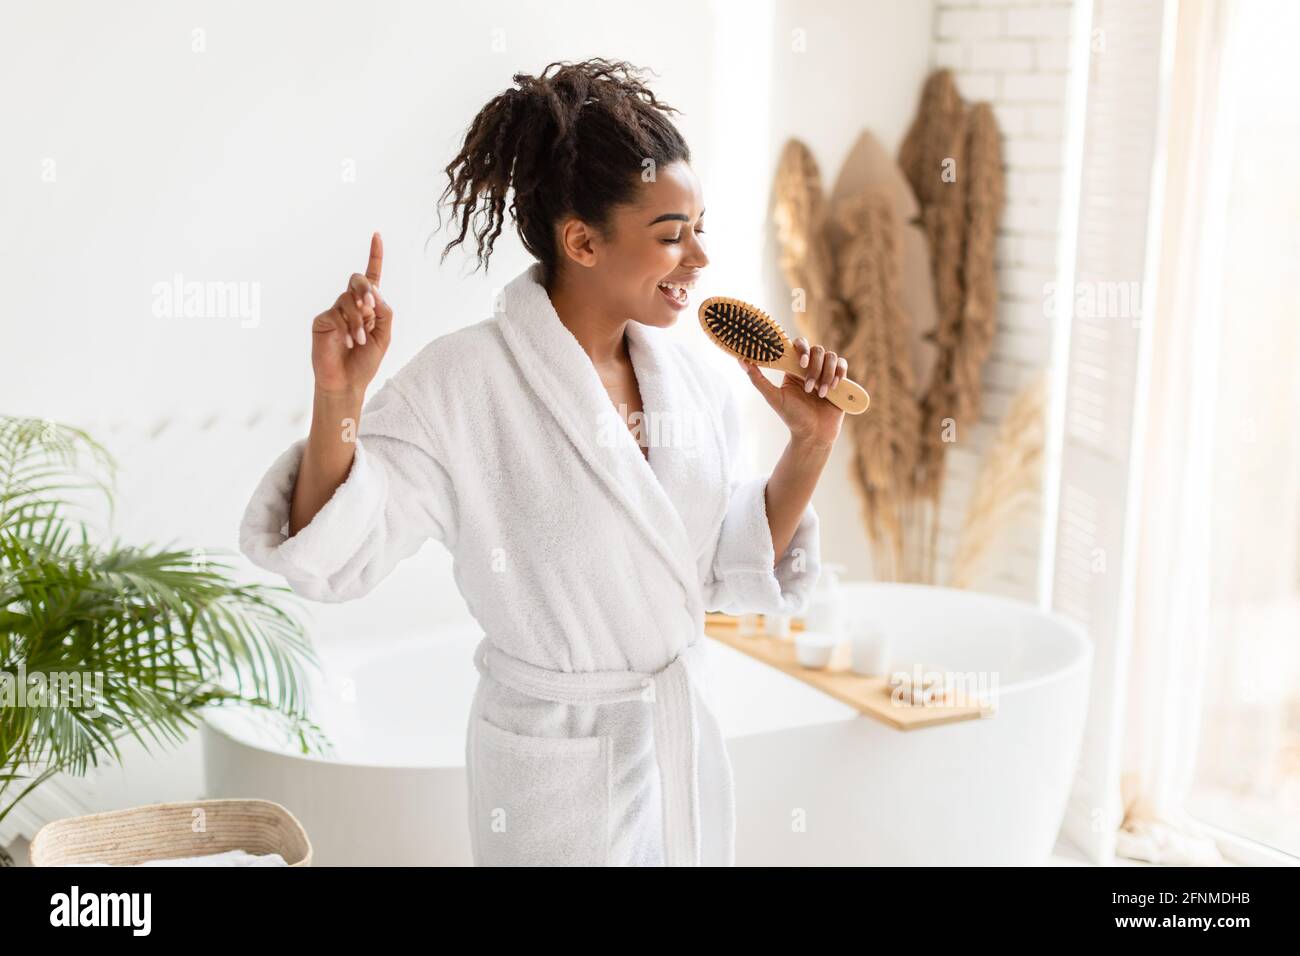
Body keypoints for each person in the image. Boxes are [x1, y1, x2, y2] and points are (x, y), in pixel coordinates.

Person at [239, 58, 850, 866]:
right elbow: (331, 551)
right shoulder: (465, 383)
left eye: (701, 229)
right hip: (553, 779)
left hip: (670, 757)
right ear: (583, 240)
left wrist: (809, 446)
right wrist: (339, 397)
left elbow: (720, 568)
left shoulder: (697, 383)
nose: (699, 259)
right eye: (672, 236)